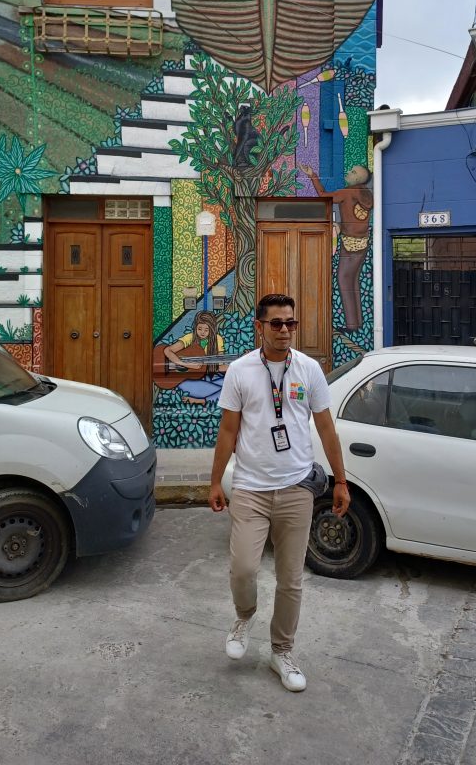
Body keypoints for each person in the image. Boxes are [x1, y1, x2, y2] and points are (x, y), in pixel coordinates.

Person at [209, 293, 350, 692]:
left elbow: (326, 428)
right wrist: (216, 480)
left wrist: (340, 481)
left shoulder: (308, 370)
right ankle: (244, 615)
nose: (285, 330)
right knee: (244, 569)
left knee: (291, 579)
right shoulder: (240, 371)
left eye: (291, 323)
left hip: (296, 488)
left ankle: (281, 651)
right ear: (260, 327)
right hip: (250, 488)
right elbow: (228, 430)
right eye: (276, 323)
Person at [300, 163, 373, 331]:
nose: (348, 173)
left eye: (353, 172)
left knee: (343, 279)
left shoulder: (348, 192)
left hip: (349, 243)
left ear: (358, 179)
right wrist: (341, 224)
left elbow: (323, 195)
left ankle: (351, 325)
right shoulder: (367, 194)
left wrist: (313, 175)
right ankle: (357, 323)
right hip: (363, 242)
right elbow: (356, 219)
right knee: (353, 281)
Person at [163, 310, 226, 405]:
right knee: (224, 389)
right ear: (195, 327)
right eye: (199, 328)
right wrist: (185, 364)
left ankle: (201, 401)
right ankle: (206, 398)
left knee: (229, 386)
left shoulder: (217, 339)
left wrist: (232, 366)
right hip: (188, 379)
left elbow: (219, 365)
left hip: (210, 377)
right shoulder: (190, 337)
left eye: (206, 330)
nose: (202, 332)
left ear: (211, 329)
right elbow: (167, 350)